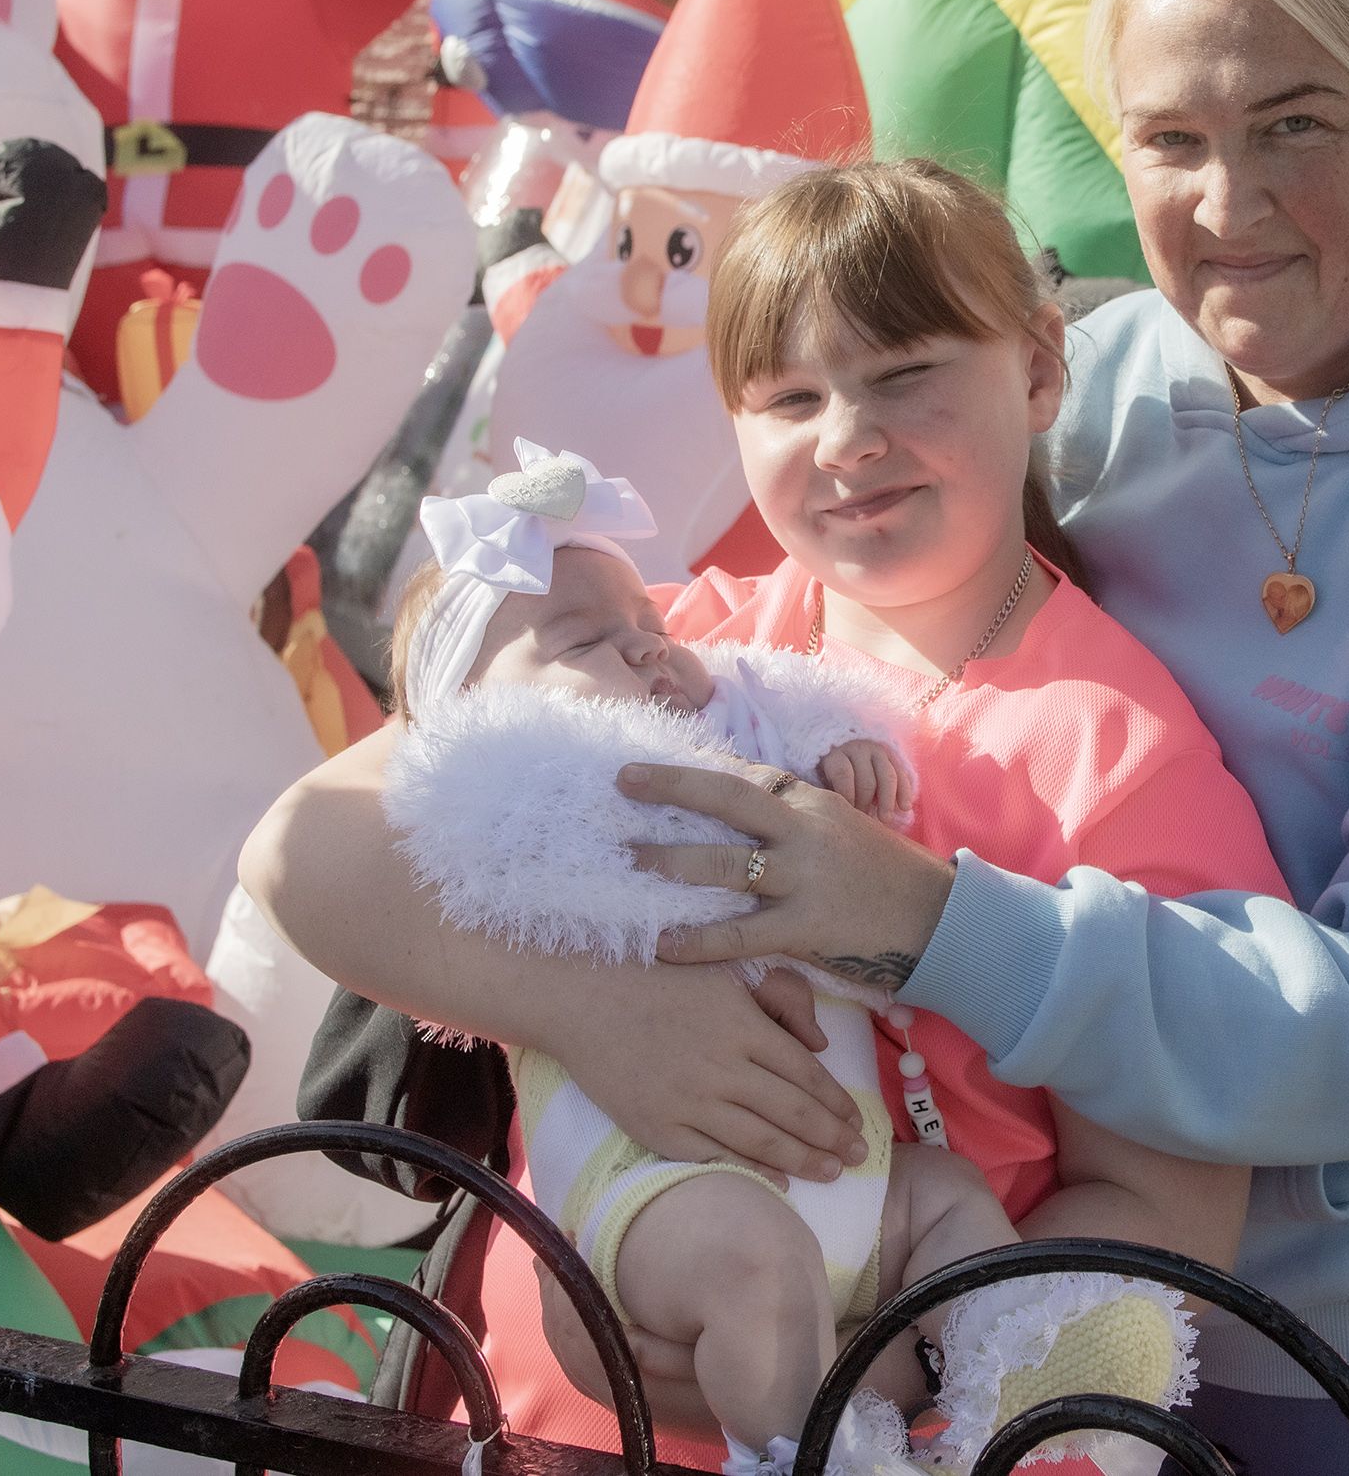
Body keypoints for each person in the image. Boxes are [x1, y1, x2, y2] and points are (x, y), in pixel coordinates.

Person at [602, 0, 1349, 1474]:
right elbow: (800, 634)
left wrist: (923, 920)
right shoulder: (1113, 379)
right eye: (1172, 140)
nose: (1228, 203)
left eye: (1295, 125)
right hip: (1012, 1280)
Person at [241, 159, 1283, 1473]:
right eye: (790, 395)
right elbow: (305, 846)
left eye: (904, 372)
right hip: (528, 1402)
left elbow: (1161, 1210)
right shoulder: (677, 640)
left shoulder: (1115, 757)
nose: (848, 435)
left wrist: (883, 1365)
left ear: (1034, 370)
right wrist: (595, 1008)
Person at [377, 436, 1197, 1476]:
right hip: (662, 1197)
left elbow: (846, 897)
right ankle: (808, 1457)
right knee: (752, 1259)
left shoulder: (741, 744)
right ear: (470, 724)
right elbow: (412, 843)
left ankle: (1030, 1356)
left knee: (945, 1195)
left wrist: (838, 770)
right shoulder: (518, 817)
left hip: (855, 1180)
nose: (645, 649)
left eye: (649, 624)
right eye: (584, 639)